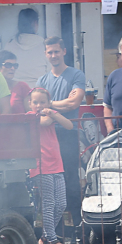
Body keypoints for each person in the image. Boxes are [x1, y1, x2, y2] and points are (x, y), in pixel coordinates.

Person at [36, 37, 86, 232]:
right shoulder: (42, 80)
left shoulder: (76, 74)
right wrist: (58, 104)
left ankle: (78, 229)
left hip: (68, 135)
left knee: (72, 182)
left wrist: (47, 105)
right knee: (50, 186)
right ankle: (56, 233)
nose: (53, 55)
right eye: (50, 52)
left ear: (64, 51)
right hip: (48, 138)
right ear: (45, 54)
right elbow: (36, 106)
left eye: (56, 51)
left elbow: (74, 103)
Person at [29, 87, 74, 244]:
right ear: (30, 103)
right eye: (35, 102)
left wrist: (53, 112)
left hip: (56, 164)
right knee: (49, 203)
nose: (39, 105)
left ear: (49, 103)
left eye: (42, 102)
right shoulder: (30, 117)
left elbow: (69, 125)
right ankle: (53, 240)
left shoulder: (51, 114)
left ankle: (45, 237)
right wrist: (50, 113)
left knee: (61, 204)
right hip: (41, 165)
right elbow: (44, 122)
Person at [4, 8, 48, 86]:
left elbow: (4, 72)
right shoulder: (45, 45)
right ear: (35, 23)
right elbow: (51, 72)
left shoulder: (9, 44)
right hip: (39, 93)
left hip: (15, 92)